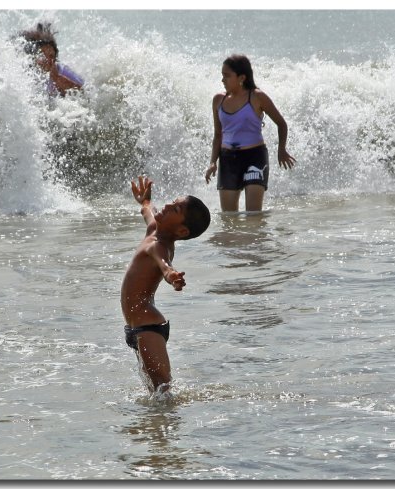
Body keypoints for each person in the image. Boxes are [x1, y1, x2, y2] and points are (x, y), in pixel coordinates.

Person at [121, 176, 211, 396]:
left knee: (163, 391)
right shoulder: (154, 229)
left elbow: (165, 266)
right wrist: (144, 201)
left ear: (181, 231)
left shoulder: (160, 246)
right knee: (155, 394)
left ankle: (171, 427)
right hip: (137, 327)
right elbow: (147, 211)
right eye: (172, 202)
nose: (169, 205)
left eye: (176, 209)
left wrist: (173, 277)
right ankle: (156, 428)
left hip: (148, 327)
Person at [204, 54, 296, 212]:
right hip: (228, 160)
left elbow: (281, 124)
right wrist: (213, 162)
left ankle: (255, 238)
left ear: (241, 77)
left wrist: (281, 150)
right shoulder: (218, 100)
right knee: (229, 218)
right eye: (222, 75)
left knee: (253, 215)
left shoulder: (257, 97)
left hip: (254, 157)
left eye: (227, 75)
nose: (222, 80)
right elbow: (218, 135)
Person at [19, 22, 84, 97]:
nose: (49, 60)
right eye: (43, 56)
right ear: (33, 57)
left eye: (51, 56)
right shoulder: (25, 73)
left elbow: (84, 93)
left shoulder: (61, 71)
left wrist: (57, 79)